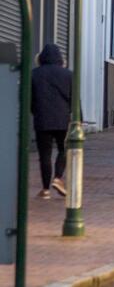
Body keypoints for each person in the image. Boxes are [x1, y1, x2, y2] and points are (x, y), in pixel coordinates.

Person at [31, 44, 72, 199]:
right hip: (62, 119)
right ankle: (58, 178)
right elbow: (74, 98)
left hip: (42, 119)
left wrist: (35, 112)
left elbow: (30, 98)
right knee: (64, 149)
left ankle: (45, 190)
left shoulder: (34, 74)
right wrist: (78, 119)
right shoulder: (67, 74)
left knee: (45, 155)